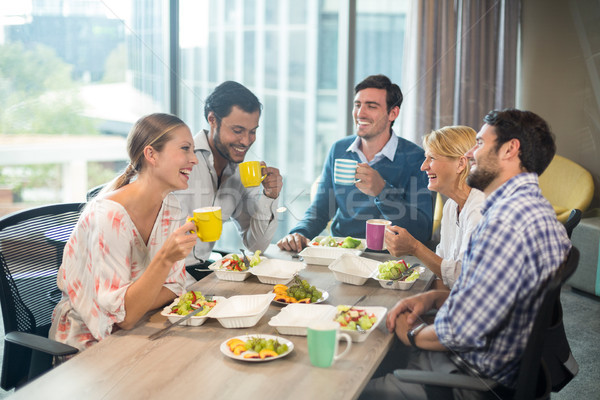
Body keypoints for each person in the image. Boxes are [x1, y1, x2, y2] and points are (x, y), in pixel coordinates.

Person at [360, 109, 571, 399]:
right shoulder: (529, 209)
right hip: (491, 362)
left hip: (474, 376)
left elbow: (460, 332)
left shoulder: (503, 222)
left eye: (481, 143)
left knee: (357, 380)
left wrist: (410, 335)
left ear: (510, 149)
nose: (471, 153)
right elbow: (497, 299)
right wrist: (434, 297)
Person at [49, 113, 199, 351]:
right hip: (90, 342)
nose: (194, 160)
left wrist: (139, 301)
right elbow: (124, 318)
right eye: (185, 149)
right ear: (151, 154)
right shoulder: (109, 216)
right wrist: (164, 260)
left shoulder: (170, 206)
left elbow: (175, 285)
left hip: (146, 325)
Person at [277, 74, 432, 252]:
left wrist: (382, 191)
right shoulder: (339, 150)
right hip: (341, 252)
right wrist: (299, 233)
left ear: (393, 113)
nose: (360, 113)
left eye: (371, 106)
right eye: (357, 105)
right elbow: (320, 211)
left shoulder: (416, 158)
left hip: (389, 258)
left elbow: (422, 231)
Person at [175, 81, 283, 275]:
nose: (246, 141)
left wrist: (269, 197)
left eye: (253, 131)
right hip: (164, 276)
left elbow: (256, 245)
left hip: (201, 274)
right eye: (238, 130)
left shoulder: (242, 175)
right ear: (212, 120)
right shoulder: (179, 159)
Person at [384, 126, 484, 289]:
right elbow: (442, 271)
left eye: (432, 158)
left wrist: (414, 247)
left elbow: (462, 278)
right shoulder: (451, 206)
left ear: (460, 163)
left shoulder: (480, 208)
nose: (423, 166)